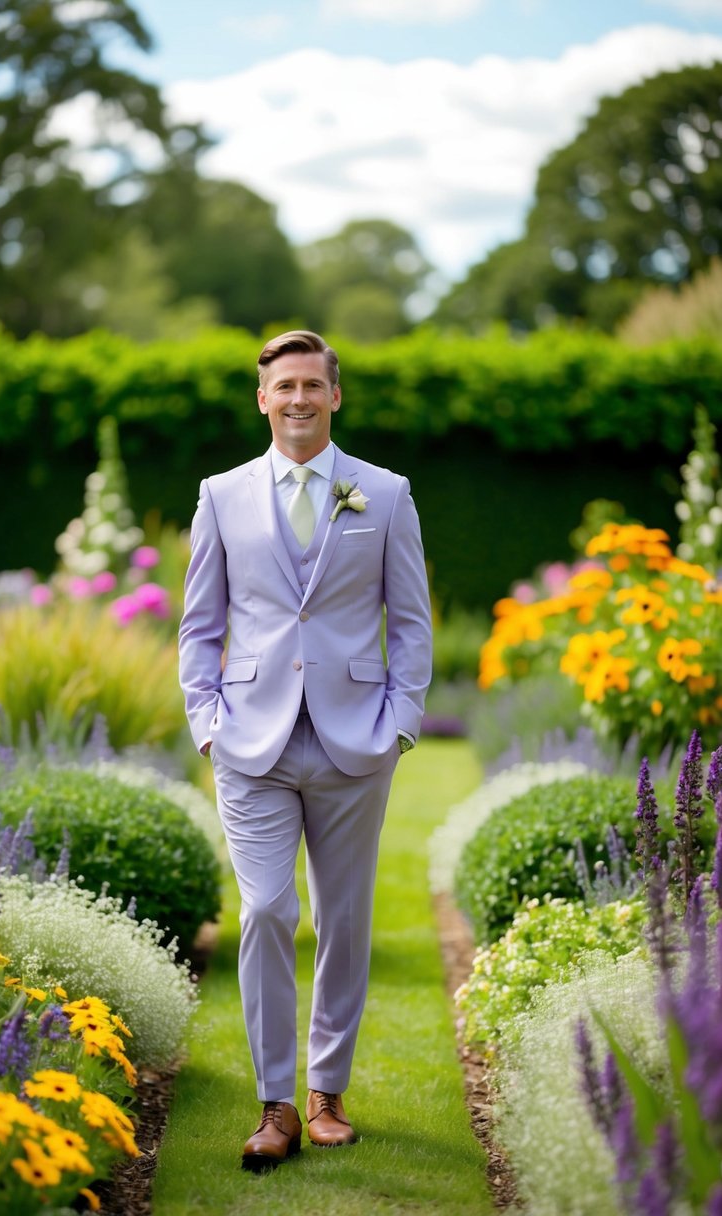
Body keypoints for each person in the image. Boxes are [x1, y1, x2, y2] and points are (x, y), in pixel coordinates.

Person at [178, 329, 432, 1172]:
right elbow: (200, 625)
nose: (296, 399)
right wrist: (205, 722)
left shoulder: (384, 494)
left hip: (354, 738)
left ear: (334, 396)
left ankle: (328, 1092)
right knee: (264, 913)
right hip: (248, 740)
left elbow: (412, 621)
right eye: (282, 386)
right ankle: (275, 1104)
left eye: (310, 386)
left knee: (344, 920)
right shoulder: (220, 495)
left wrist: (399, 723)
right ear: (262, 399)